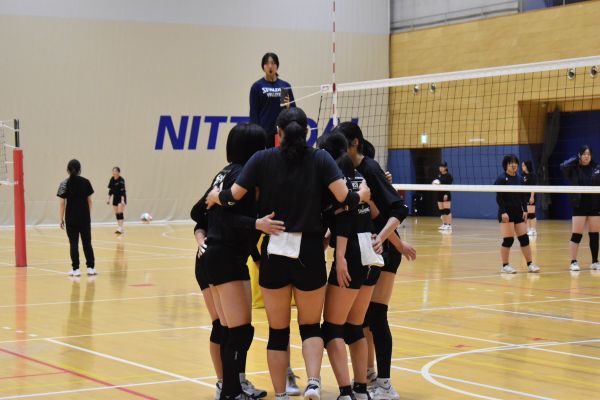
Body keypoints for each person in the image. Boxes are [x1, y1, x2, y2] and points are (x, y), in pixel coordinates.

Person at [207, 108, 370, 400]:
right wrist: (363, 196)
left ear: (278, 133)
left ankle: (281, 394)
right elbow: (344, 198)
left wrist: (215, 196)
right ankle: (313, 382)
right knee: (310, 327)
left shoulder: (261, 158)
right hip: (309, 250)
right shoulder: (321, 158)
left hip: (275, 250)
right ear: (307, 132)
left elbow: (233, 197)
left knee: (277, 332)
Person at [192, 123, 280, 400]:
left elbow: (197, 212)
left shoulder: (225, 172)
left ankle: (232, 386)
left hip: (220, 255)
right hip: (224, 256)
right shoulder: (242, 175)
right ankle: (230, 391)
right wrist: (257, 224)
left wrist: (256, 256)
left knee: (233, 329)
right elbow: (227, 219)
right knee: (237, 331)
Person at [334, 122, 415, 400]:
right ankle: (368, 374)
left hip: (383, 251)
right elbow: (372, 211)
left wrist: (386, 240)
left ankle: (385, 382)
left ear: (354, 143)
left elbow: (397, 209)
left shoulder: (369, 169)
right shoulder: (349, 174)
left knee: (377, 315)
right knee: (364, 318)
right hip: (370, 249)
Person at [319, 132, 382, 400]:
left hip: (352, 254)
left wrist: (340, 256)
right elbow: (375, 213)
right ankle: (361, 389)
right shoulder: (360, 178)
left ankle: (346, 392)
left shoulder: (336, 183)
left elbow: (344, 220)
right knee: (355, 326)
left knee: (332, 328)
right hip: (371, 253)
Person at [494, 154, 540, 274]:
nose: (514, 165)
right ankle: (505, 266)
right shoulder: (501, 179)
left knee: (524, 239)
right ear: (506, 165)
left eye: (515, 163)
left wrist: (525, 210)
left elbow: (522, 196)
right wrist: (503, 212)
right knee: (508, 240)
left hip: (518, 212)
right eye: (511, 163)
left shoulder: (520, 178)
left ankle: (530, 264)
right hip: (506, 213)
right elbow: (499, 198)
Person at [560, 145, 600, 272]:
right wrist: (575, 159)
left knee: (594, 235)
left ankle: (595, 261)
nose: (586, 156)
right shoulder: (573, 168)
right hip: (579, 205)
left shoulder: (597, 168)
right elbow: (562, 166)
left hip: (594, 205)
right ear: (580, 155)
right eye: (584, 154)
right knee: (576, 234)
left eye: (588, 154)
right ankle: (573, 261)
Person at [57, 159, 96, 277]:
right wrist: (88, 215)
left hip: (71, 218)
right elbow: (90, 201)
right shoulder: (86, 182)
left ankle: (76, 269)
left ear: (68, 170)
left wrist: (61, 219)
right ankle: (91, 268)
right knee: (87, 243)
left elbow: (62, 204)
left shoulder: (64, 183)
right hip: (84, 218)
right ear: (80, 170)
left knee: (73, 244)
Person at [250, 52, 296, 148]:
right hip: (264, 131)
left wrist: (288, 106)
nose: (270, 66)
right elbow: (254, 112)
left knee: (279, 156)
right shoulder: (257, 86)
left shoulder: (284, 86)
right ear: (263, 66)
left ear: (277, 66)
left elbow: (293, 111)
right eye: (267, 63)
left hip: (281, 132)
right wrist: (256, 132)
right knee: (266, 156)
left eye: (273, 63)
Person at [433, 161, 453, 231]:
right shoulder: (439, 175)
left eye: (442, 167)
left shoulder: (449, 176)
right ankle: (444, 224)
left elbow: (449, 186)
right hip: (439, 194)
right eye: (440, 167)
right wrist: (434, 183)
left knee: (447, 210)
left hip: (446, 194)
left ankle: (449, 225)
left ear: (446, 167)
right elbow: (435, 182)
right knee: (442, 211)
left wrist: (446, 194)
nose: (440, 168)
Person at [107, 167, 126, 234]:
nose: (114, 172)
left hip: (121, 197)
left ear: (118, 172)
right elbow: (111, 190)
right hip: (115, 197)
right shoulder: (112, 179)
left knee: (120, 212)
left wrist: (123, 200)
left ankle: (121, 227)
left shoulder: (121, 180)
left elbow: (123, 191)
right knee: (116, 213)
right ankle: (120, 227)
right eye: (113, 171)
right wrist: (108, 199)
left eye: (115, 171)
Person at [521, 160, 537, 236]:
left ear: (527, 166)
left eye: (523, 165)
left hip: (531, 196)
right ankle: (528, 229)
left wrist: (532, 197)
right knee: (526, 214)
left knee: (531, 214)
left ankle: (533, 230)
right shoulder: (522, 175)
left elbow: (533, 187)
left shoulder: (532, 175)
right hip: (524, 196)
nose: (522, 167)